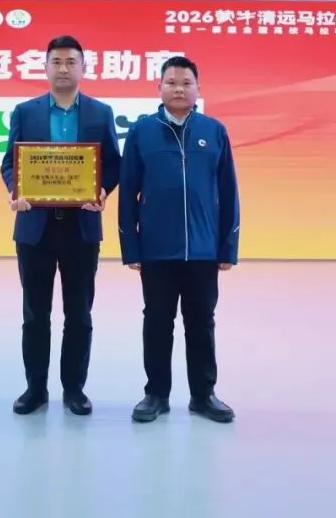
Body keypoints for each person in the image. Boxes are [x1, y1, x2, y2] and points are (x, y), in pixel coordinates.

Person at [0, 35, 121, 416]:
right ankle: (35, 389)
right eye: (56, 62)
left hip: (81, 228)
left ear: (84, 68)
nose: (63, 69)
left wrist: (102, 189)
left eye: (71, 62)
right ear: (45, 67)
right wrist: (16, 190)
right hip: (34, 228)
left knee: (79, 315)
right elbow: (10, 163)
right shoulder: (25, 112)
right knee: (35, 314)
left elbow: (113, 164)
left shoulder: (101, 113)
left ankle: (74, 390)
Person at [117, 55, 240, 424]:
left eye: (186, 83)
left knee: (201, 322)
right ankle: (156, 394)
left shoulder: (214, 131)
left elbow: (228, 192)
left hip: (203, 250)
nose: (179, 89)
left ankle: (204, 395)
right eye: (171, 82)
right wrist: (130, 246)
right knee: (157, 321)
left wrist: (227, 246)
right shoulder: (142, 132)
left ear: (198, 89)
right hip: (156, 249)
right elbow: (128, 193)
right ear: (159, 88)